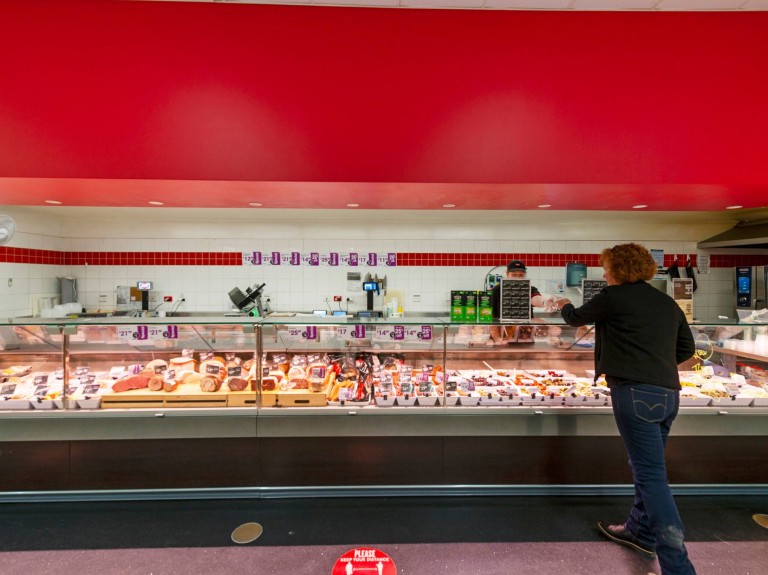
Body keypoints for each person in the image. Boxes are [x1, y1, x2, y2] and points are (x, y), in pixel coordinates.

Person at [555, 243, 696, 575]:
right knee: (648, 467)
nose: (604, 274)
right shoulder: (665, 301)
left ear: (618, 269)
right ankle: (639, 531)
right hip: (668, 395)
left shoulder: (613, 297)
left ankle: (678, 567)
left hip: (634, 394)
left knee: (651, 476)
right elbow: (686, 348)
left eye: (607, 268)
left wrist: (562, 303)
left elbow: (575, 318)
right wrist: (653, 363)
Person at [490, 259, 545, 343]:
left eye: (521, 275)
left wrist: (545, 302)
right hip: (502, 336)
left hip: (524, 336)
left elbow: (536, 298)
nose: (517, 278)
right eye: (514, 274)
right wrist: (497, 339)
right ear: (507, 274)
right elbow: (491, 318)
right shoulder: (496, 290)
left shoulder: (529, 288)